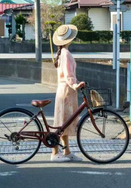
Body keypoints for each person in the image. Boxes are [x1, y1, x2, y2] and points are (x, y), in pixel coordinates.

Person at [51, 24, 85, 162]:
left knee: (64, 122)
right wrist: (75, 84)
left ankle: (67, 152)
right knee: (61, 123)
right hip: (66, 89)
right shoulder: (66, 54)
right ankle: (55, 153)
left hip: (63, 89)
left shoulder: (62, 53)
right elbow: (68, 74)